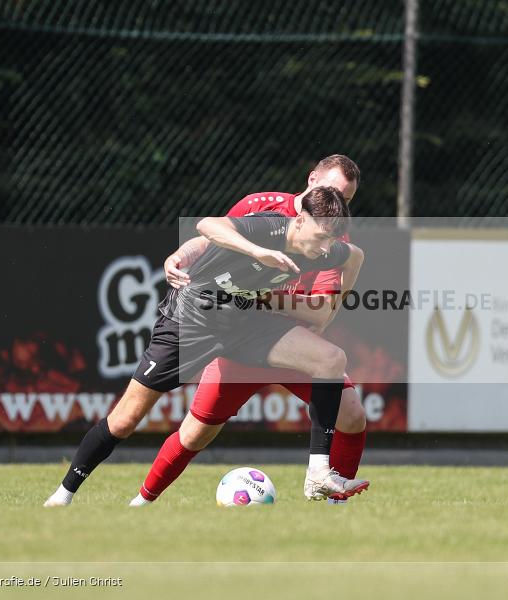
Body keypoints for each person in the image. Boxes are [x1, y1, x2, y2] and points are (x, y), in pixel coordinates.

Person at [45, 186, 368, 506]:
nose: (324, 246)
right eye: (320, 236)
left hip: (246, 323)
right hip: (191, 322)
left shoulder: (320, 249)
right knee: (125, 420)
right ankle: (63, 495)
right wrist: (257, 252)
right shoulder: (268, 226)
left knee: (330, 359)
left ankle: (318, 472)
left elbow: (355, 257)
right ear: (299, 220)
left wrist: (336, 303)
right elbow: (207, 226)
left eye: (329, 239)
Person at [132, 156, 368, 506]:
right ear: (312, 179)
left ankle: (335, 505)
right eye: (330, 190)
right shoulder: (262, 206)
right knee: (195, 433)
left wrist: (261, 297)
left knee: (352, 415)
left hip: (290, 344)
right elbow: (215, 240)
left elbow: (320, 316)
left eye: (344, 199)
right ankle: (141, 502)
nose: (335, 202)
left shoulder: (331, 243)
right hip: (240, 340)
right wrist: (179, 255)